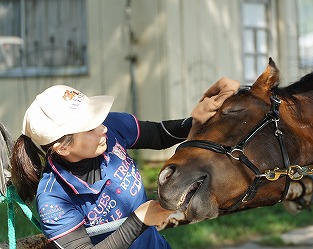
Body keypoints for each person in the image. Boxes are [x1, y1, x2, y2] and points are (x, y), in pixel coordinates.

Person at [10, 77, 240, 249]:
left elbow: (159, 134)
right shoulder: (54, 198)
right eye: (91, 127)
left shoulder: (110, 129)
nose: (104, 128)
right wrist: (139, 220)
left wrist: (198, 120)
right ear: (63, 147)